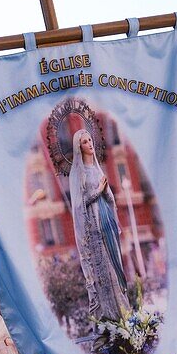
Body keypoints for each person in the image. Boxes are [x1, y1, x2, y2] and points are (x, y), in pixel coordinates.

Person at [68, 127, 129, 322]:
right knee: (103, 270)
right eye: (85, 142)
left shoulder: (96, 168)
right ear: (79, 147)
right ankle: (110, 316)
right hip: (93, 226)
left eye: (90, 140)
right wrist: (98, 191)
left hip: (106, 220)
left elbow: (108, 196)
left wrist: (107, 193)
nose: (89, 144)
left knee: (115, 265)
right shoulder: (79, 173)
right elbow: (78, 205)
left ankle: (124, 313)